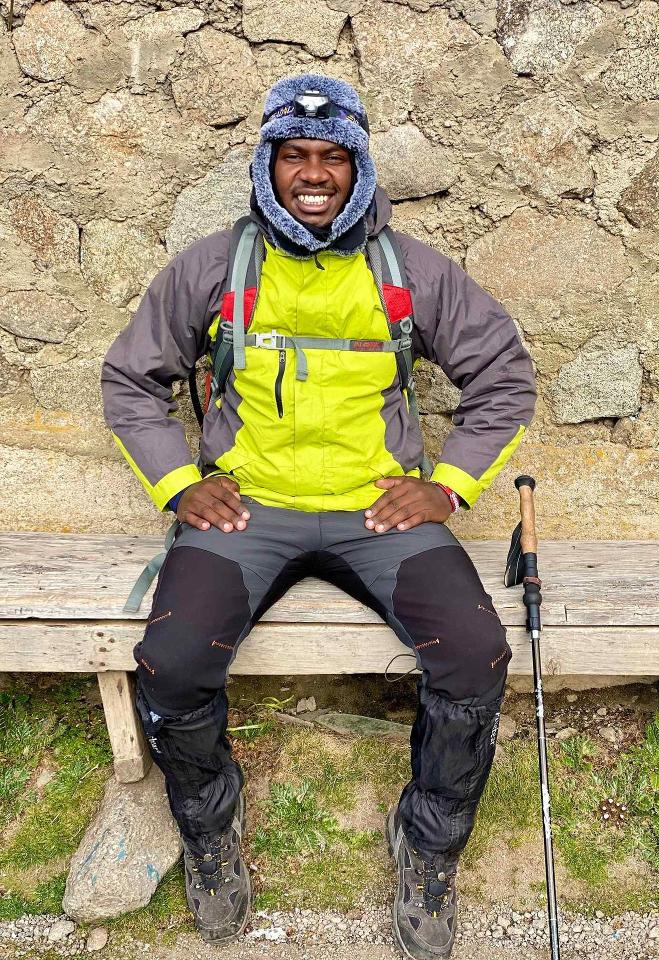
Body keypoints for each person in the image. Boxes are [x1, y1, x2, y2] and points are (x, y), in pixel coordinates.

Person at [101, 73, 536, 959]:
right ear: (268, 164)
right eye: (294, 156)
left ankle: (429, 846)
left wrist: (447, 487)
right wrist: (181, 483)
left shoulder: (407, 270)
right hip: (247, 509)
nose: (313, 173)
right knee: (173, 659)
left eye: (332, 156)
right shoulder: (217, 266)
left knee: (477, 653)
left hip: (377, 510)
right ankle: (209, 836)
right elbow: (130, 380)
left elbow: (504, 377)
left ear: (358, 166)